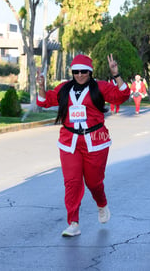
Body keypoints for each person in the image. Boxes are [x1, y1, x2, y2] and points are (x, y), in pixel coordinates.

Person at [36, 54, 130, 237]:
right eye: (76, 71)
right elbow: (45, 101)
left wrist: (116, 74)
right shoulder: (64, 88)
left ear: (90, 72)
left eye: (83, 71)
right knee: (72, 182)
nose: (79, 75)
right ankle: (73, 223)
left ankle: (102, 204)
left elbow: (122, 95)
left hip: (95, 139)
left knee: (94, 182)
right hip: (70, 141)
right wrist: (41, 87)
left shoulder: (100, 87)